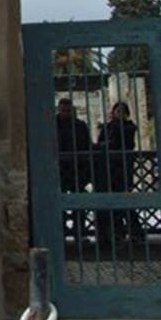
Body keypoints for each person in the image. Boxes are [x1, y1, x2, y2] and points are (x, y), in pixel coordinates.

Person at [95, 101, 144, 246]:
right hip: (108, 168)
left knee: (125, 200)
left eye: (122, 111)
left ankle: (135, 232)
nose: (119, 113)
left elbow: (123, 143)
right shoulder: (108, 127)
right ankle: (116, 232)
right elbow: (101, 143)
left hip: (123, 167)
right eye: (117, 110)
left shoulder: (129, 127)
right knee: (112, 200)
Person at [56, 98, 91, 238]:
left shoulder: (79, 125)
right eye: (63, 109)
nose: (65, 112)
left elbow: (86, 144)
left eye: (67, 110)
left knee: (79, 201)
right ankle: (61, 230)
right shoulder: (53, 124)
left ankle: (80, 231)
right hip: (59, 169)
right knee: (59, 201)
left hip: (77, 169)